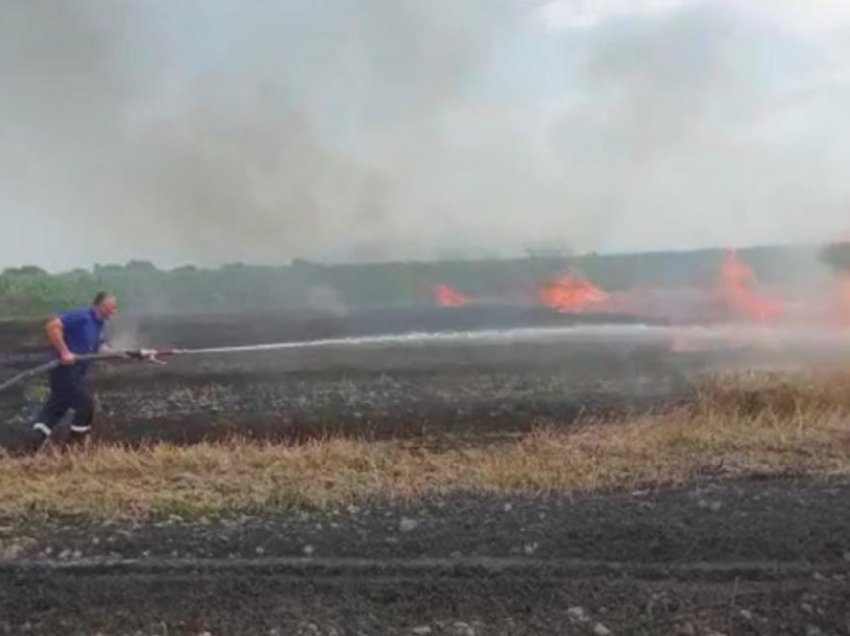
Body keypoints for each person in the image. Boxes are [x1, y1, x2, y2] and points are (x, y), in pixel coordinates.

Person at [28, 292, 119, 453]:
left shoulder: (99, 324)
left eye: (114, 308)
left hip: (77, 372)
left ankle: (30, 446)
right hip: (65, 371)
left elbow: (98, 347)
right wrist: (64, 352)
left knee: (55, 410)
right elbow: (52, 326)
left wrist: (118, 354)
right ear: (100, 306)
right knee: (85, 404)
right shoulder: (82, 316)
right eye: (111, 308)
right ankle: (73, 449)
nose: (114, 312)